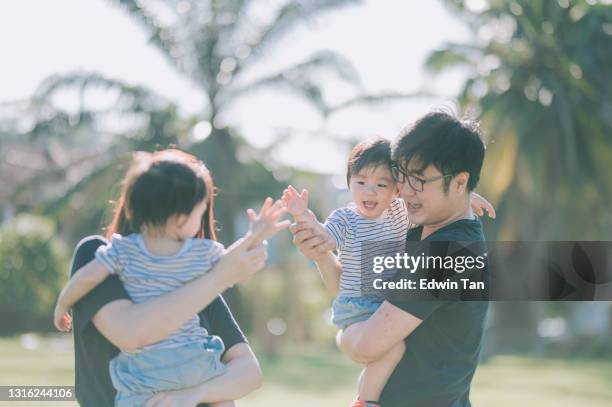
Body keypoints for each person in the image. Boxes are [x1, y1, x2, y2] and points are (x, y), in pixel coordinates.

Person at [55, 149, 286, 407]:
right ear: (181, 218)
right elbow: (131, 334)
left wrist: (191, 396)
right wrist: (223, 271)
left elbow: (249, 372)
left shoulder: (193, 273)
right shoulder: (97, 254)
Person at [285, 131, 493, 407]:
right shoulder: (417, 228)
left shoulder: (447, 250)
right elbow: (347, 282)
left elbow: (366, 346)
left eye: (419, 180)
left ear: (459, 182)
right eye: (404, 178)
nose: (406, 190)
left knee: (389, 349)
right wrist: (320, 251)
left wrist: (344, 338)